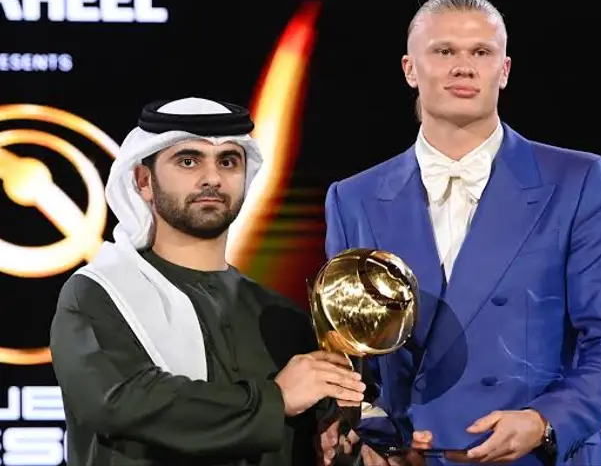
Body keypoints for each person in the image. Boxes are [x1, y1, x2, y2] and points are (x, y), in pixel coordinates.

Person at [324, 0, 601, 466]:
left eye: (480, 52)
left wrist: (544, 421)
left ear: (504, 70)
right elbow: (350, 357)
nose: (463, 67)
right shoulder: (353, 198)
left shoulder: (580, 181)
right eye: (444, 51)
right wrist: (367, 430)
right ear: (410, 69)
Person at [50, 97, 365, 466]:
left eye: (228, 161)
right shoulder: (100, 294)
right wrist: (275, 399)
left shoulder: (283, 317)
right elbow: (120, 403)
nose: (213, 178)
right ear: (143, 181)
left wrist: (336, 439)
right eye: (188, 161)